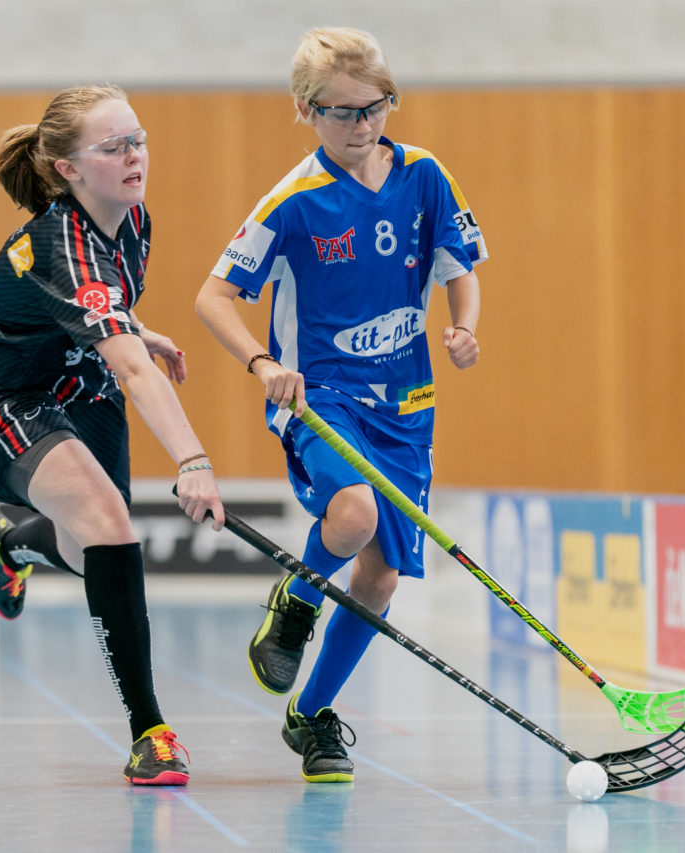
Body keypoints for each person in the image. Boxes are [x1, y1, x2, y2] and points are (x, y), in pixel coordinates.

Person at [195, 26, 485, 783]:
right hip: (320, 396)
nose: (362, 125)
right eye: (342, 112)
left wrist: (464, 326)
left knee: (380, 578)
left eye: (375, 107)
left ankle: (311, 715)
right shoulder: (293, 202)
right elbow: (212, 296)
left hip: (407, 406)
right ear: (305, 109)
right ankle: (296, 598)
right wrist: (263, 363)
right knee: (352, 516)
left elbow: (459, 266)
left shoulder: (424, 174)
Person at [0, 84, 225, 787]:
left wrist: (136, 327)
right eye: (114, 147)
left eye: (138, 140)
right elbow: (129, 367)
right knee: (110, 527)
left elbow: (101, 310)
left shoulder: (133, 219)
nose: (135, 156)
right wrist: (192, 459)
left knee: (88, 549)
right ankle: (150, 732)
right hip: (5, 398)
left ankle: (7, 540)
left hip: (81, 383)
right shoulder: (57, 244)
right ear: (68, 168)